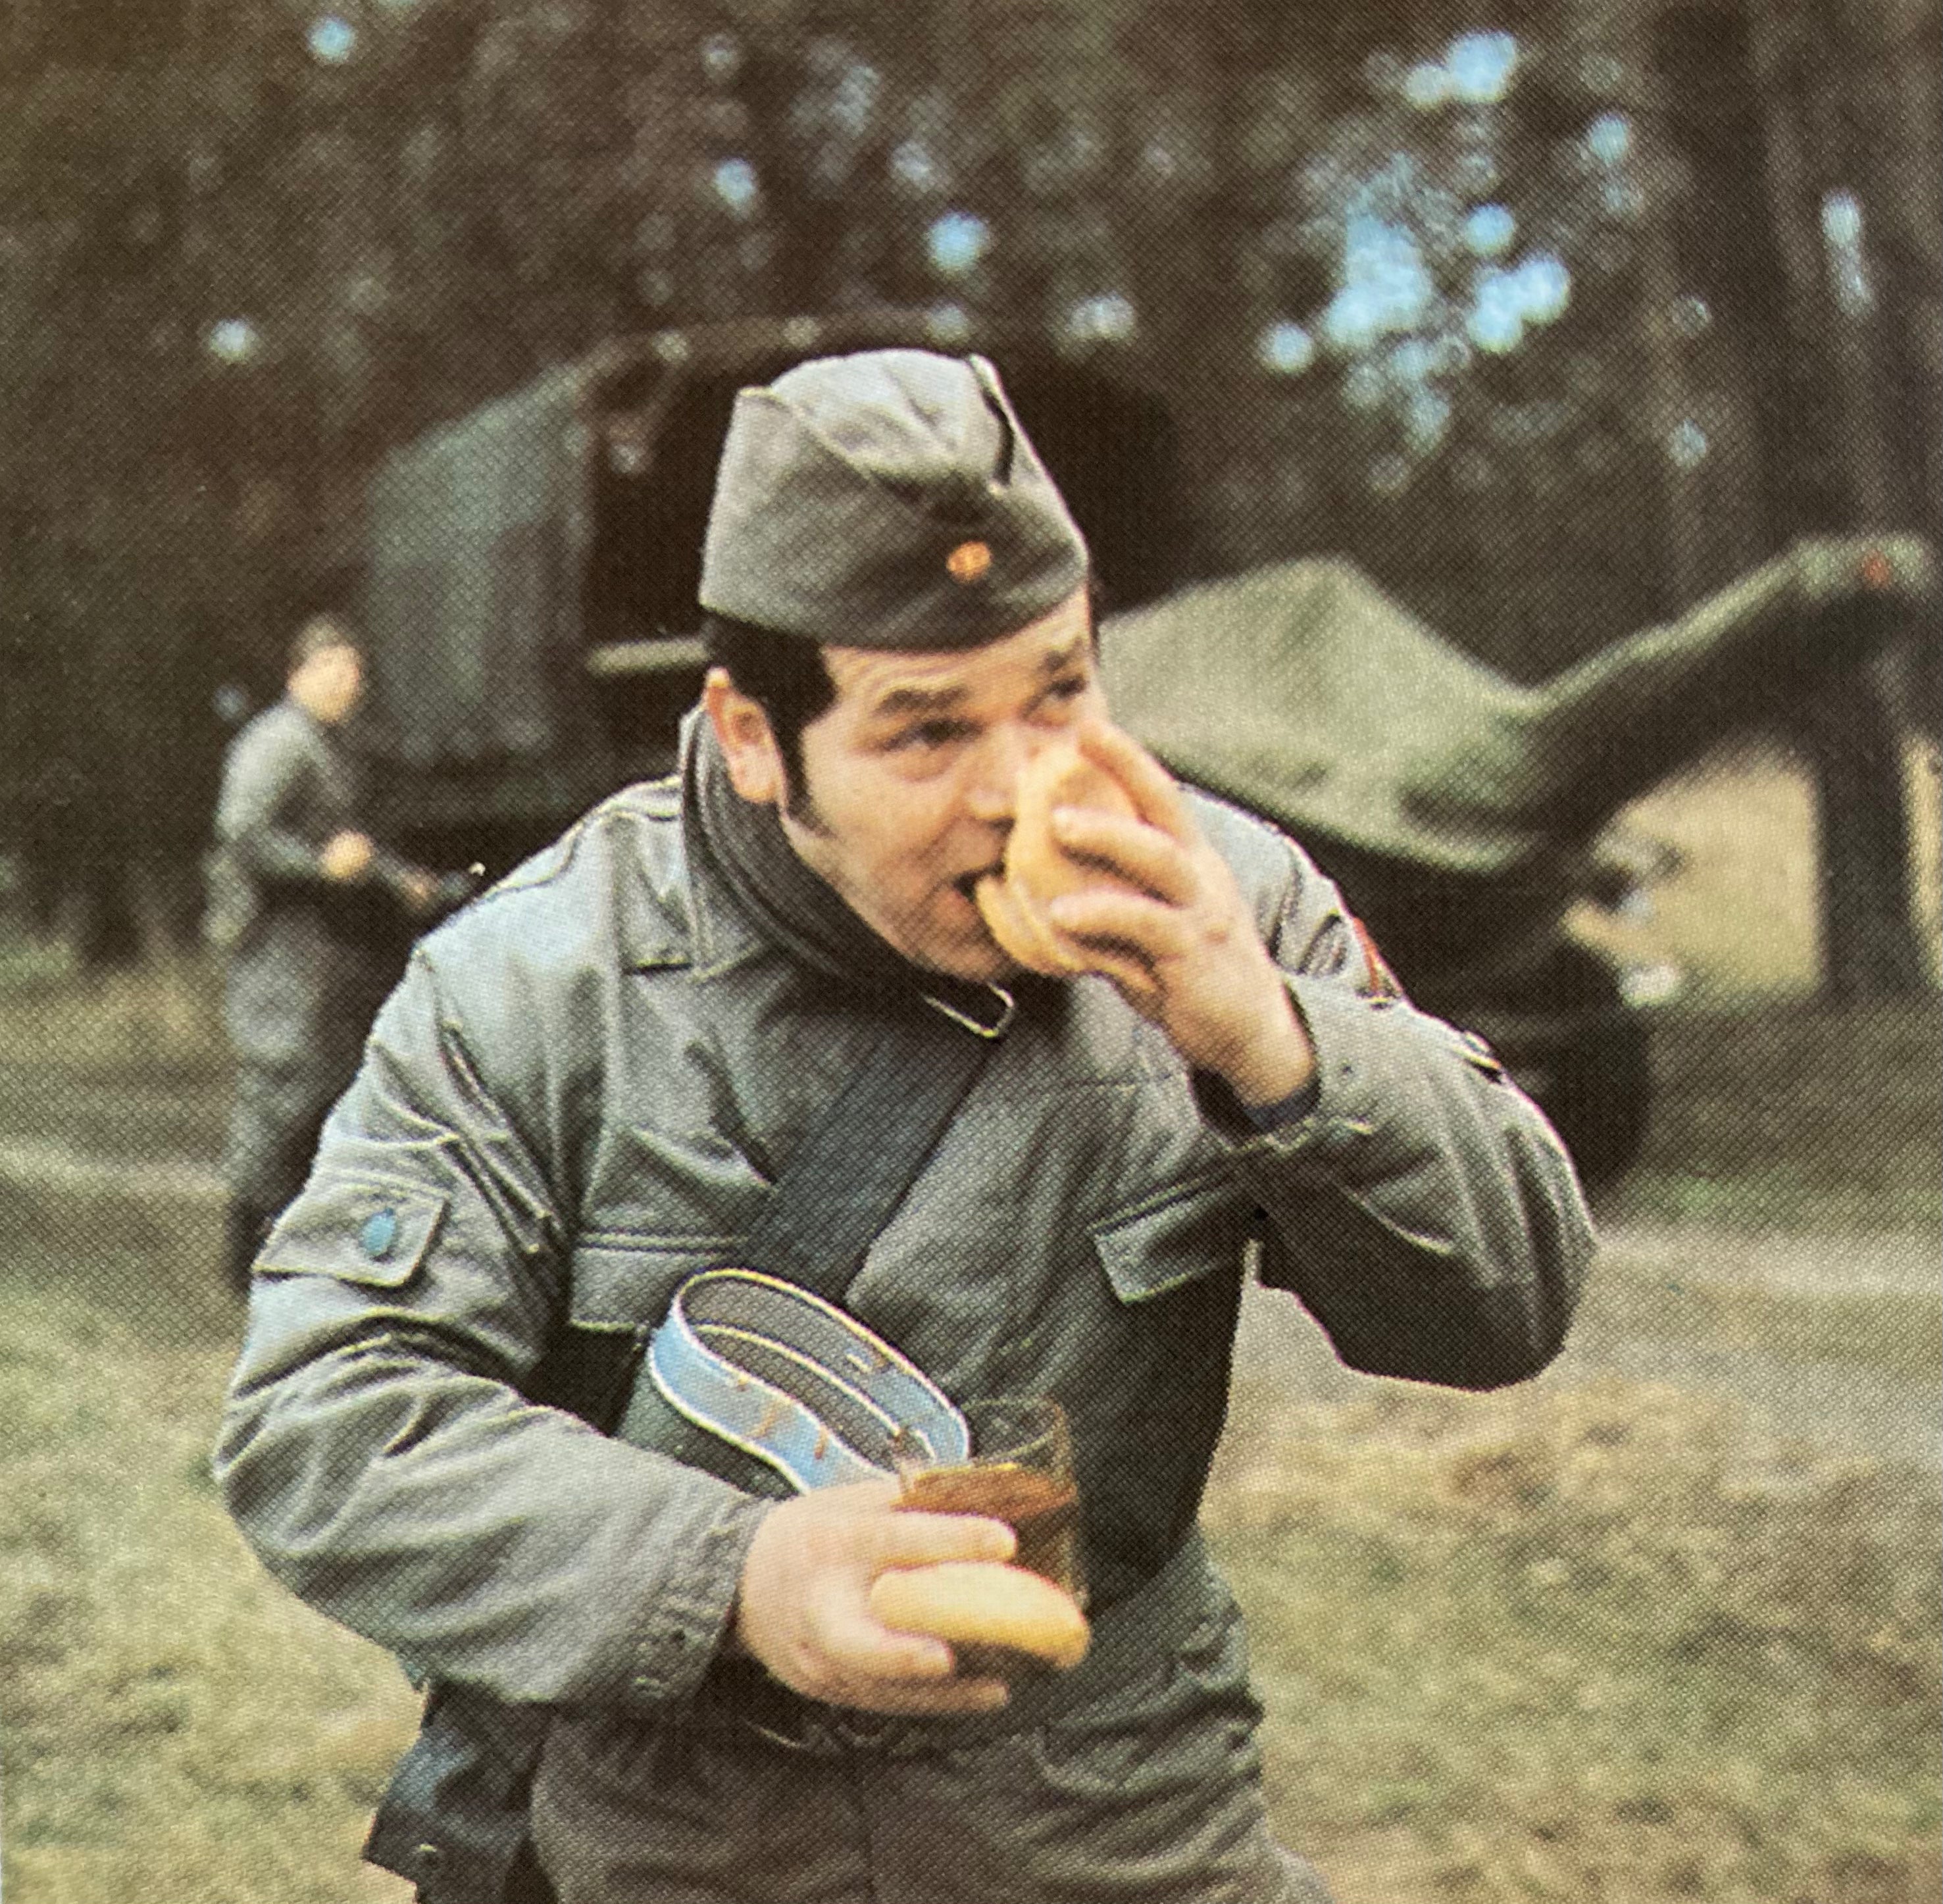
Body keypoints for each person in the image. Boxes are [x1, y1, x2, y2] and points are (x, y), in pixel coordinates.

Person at [216, 352, 1595, 1904]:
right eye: (927, 732)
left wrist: (1269, 1042)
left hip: (1120, 1831)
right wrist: (730, 1574)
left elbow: (1505, 1309)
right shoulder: (533, 982)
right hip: (695, 1847)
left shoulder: (1222, 898)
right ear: (749, 735)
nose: (1020, 791)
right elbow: (322, 1421)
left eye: (1058, 691)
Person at [207, 613, 444, 1295]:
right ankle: (242, 1259)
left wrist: (398, 878)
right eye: (330, 667)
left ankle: (288, 1252)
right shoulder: (278, 741)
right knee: (282, 1089)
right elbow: (242, 833)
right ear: (297, 674)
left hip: (321, 948)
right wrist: (318, 865)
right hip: (278, 944)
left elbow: (352, 849)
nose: (345, 681)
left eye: (354, 670)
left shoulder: (334, 746)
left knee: (321, 1090)